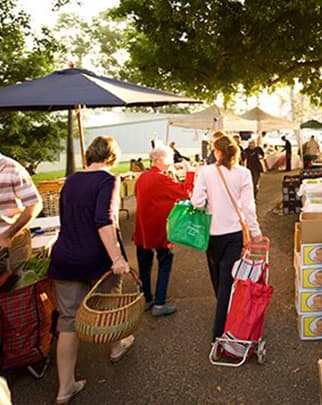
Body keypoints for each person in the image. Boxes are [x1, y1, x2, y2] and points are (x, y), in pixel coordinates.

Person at [47, 136, 132, 405]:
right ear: (112, 156)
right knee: (109, 306)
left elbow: (66, 217)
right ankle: (116, 346)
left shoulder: (71, 180)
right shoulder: (108, 179)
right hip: (96, 258)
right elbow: (104, 221)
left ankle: (65, 388)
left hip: (65, 255)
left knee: (68, 321)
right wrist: (117, 258)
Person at [191, 135, 263, 341]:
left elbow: (197, 202)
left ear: (218, 152)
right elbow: (249, 207)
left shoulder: (205, 172)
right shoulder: (244, 173)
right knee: (227, 277)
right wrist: (255, 233)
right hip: (234, 232)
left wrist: (208, 202)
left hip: (212, 233)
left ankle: (220, 324)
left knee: (217, 276)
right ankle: (226, 319)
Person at [133, 145, 192, 317]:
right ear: (159, 160)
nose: (172, 161)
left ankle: (147, 298)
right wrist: (190, 172)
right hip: (159, 229)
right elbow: (186, 192)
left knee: (144, 264)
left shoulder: (143, 177)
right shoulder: (161, 179)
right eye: (170, 158)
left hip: (143, 229)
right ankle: (159, 302)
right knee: (165, 262)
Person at [0, 152, 42, 271]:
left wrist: (7, 234)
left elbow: (34, 205)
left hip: (14, 240)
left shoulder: (12, 169)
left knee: (18, 284)